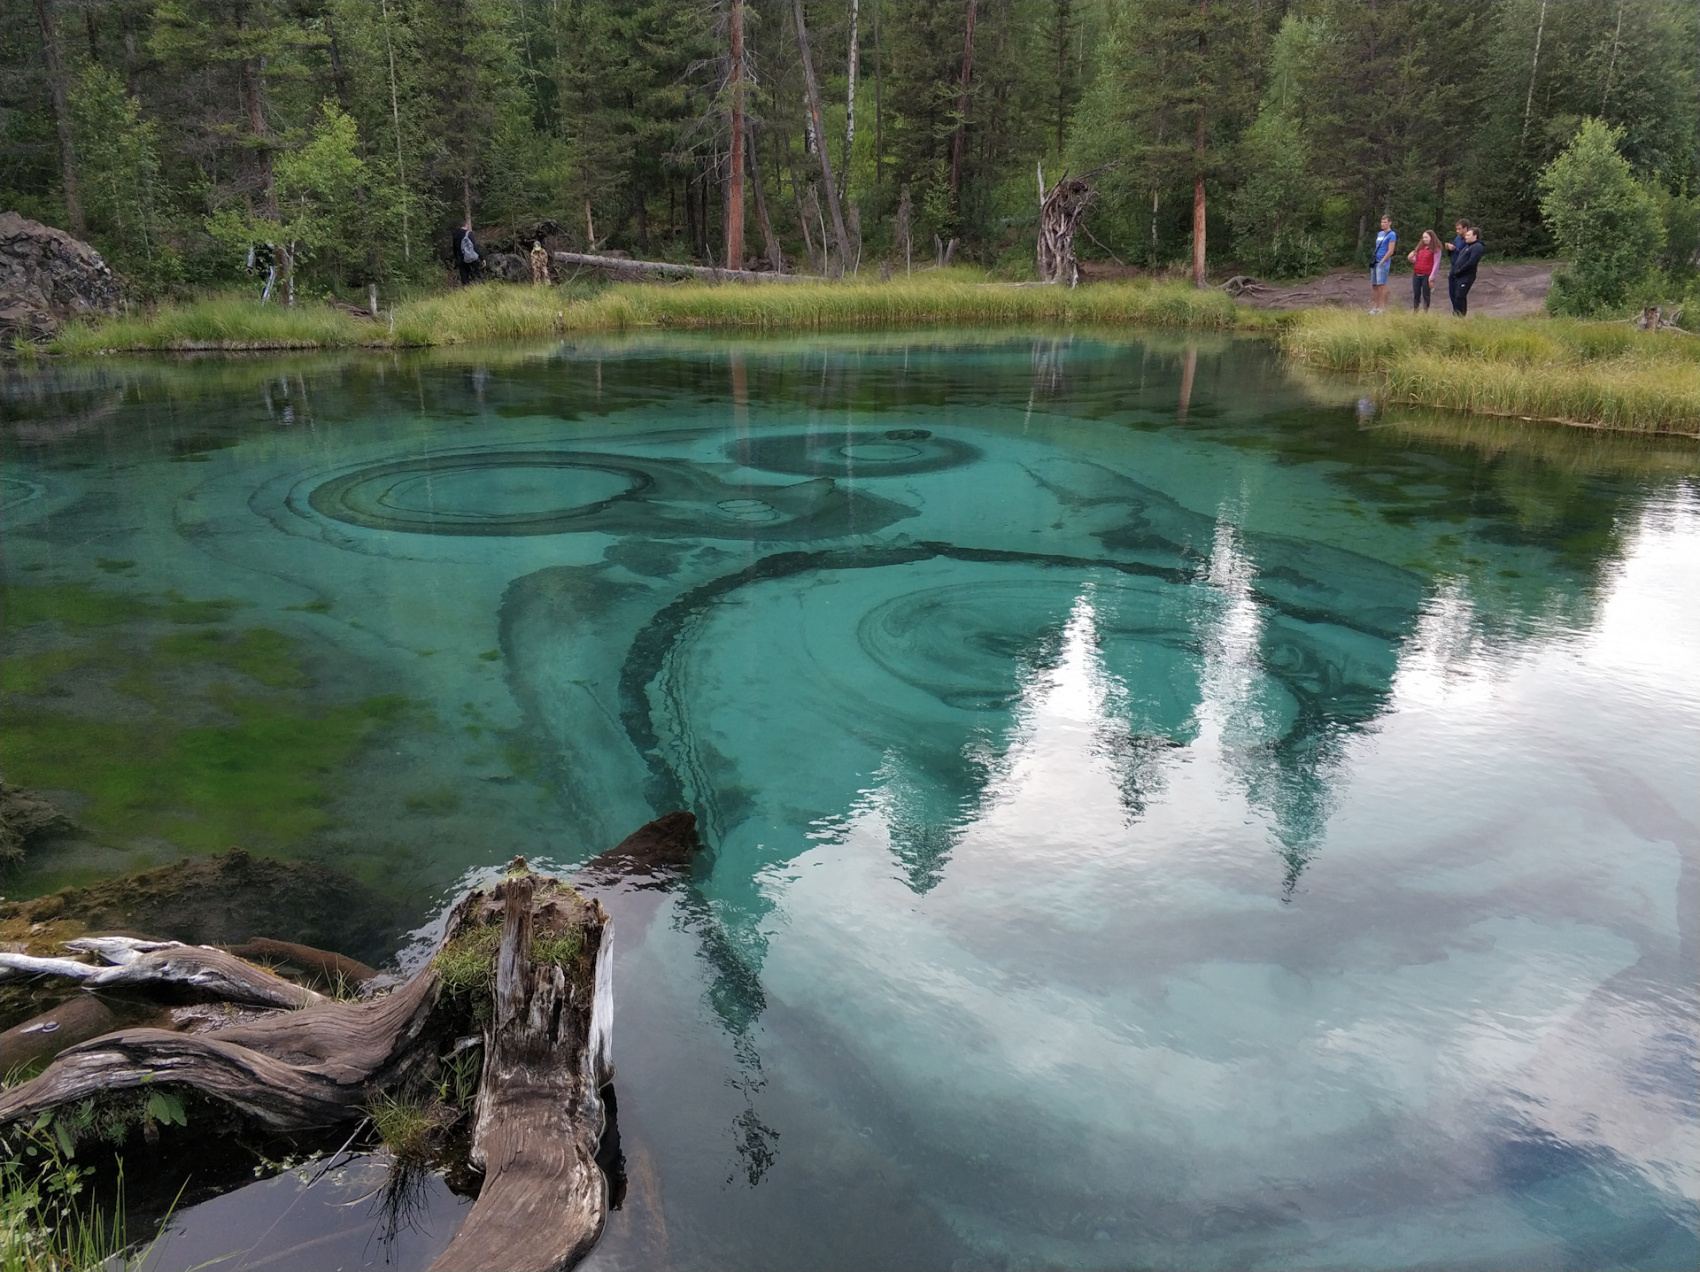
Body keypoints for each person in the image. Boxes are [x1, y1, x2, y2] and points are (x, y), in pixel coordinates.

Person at [1450, 226, 1485, 316]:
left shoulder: (1477, 246)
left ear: (1475, 236)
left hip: (1467, 275)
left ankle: (1460, 316)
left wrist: (1460, 270)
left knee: (1460, 296)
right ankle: (1457, 315)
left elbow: (1472, 262)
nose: (1466, 236)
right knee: (1457, 296)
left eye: (1468, 235)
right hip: (1458, 276)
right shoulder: (1467, 246)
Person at [1407, 229, 1440, 312]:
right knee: (1416, 294)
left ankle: (1425, 311)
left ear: (1431, 238)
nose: (1424, 239)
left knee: (1426, 294)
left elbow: (1436, 264)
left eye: (1426, 237)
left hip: (1427, 274)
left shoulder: (1436, 250)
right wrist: (1410, 257)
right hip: (1417, 273)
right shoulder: (1420, 248)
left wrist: (1432, 276)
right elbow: (1416, 260)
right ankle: (1416, 310)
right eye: (1423, 237)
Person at [1369, 215, 1397, 313]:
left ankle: (1383, 307)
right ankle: (1375, 306)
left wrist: (1382, 261)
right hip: (1375, 261)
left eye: (1385, 222)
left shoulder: (1392, 234)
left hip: (1383, 262)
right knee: (1375, 284)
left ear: (1389, 223)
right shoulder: (1379, 234)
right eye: (1382, 222)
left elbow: (1390, 250)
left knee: (1382, 284)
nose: (1383, 224)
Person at [1443, 220, 1469, 313]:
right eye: (1456, 229)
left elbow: (1465, 253)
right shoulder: (1457, 238)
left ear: (1465, 228)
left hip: (1462, 268)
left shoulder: (1468, 239)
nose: (1457, 231)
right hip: (1454, 266)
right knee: (1452, 291)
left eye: (1459, 229)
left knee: (1460, 293)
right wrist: (1449, 249)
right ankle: (1455, 311)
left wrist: (1455, 249)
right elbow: (1453, 253)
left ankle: (1461, 313)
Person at [453, 221, 480, 286]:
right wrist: (481, 257)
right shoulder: (468, 234)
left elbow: (454, 248)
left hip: (460, 258)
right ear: (466, 226)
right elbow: (475, 247)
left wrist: (457, 258)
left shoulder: (455, 234)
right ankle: (477, 287)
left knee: (464, 277)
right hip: (470, 258)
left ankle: (466, 291)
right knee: (476, 274)